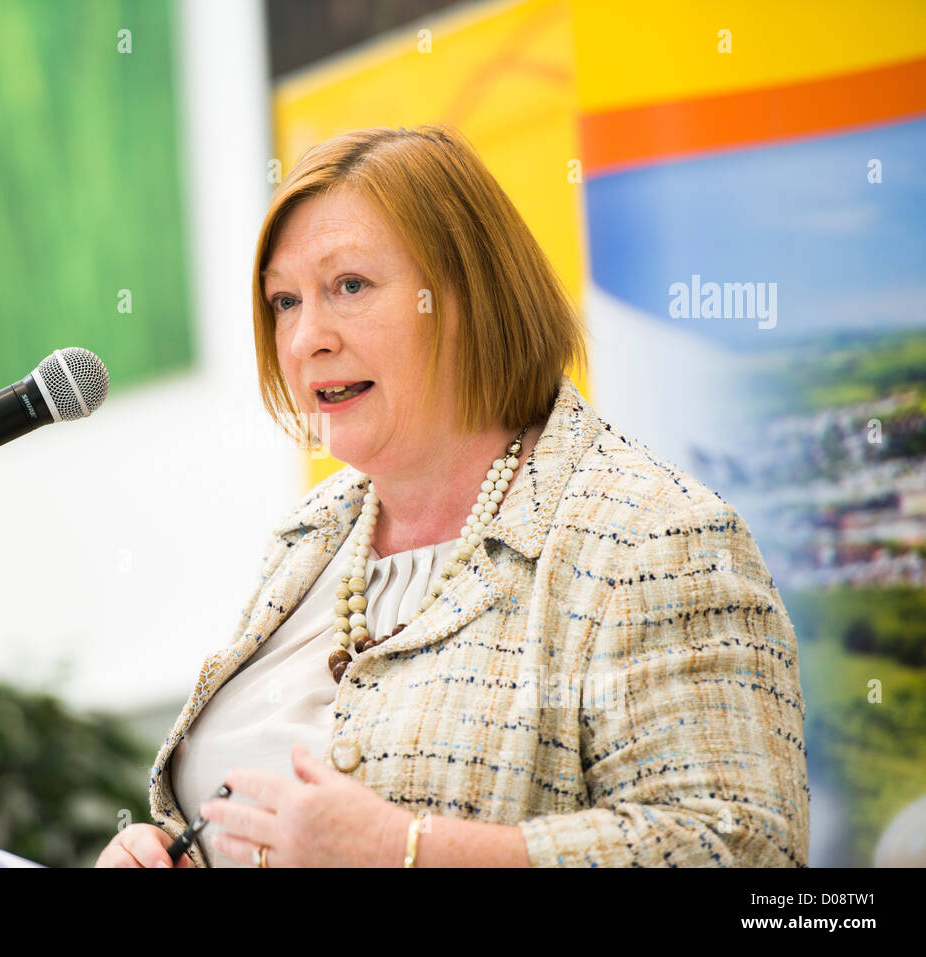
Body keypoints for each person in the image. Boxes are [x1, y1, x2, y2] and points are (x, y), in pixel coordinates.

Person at [94, 124, 809, 868]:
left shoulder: (653, 536)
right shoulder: (310, 536)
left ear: (467, 295)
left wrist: (407, 852)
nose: (306, 337)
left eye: (350, 286)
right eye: (283, 301)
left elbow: (743, 851)